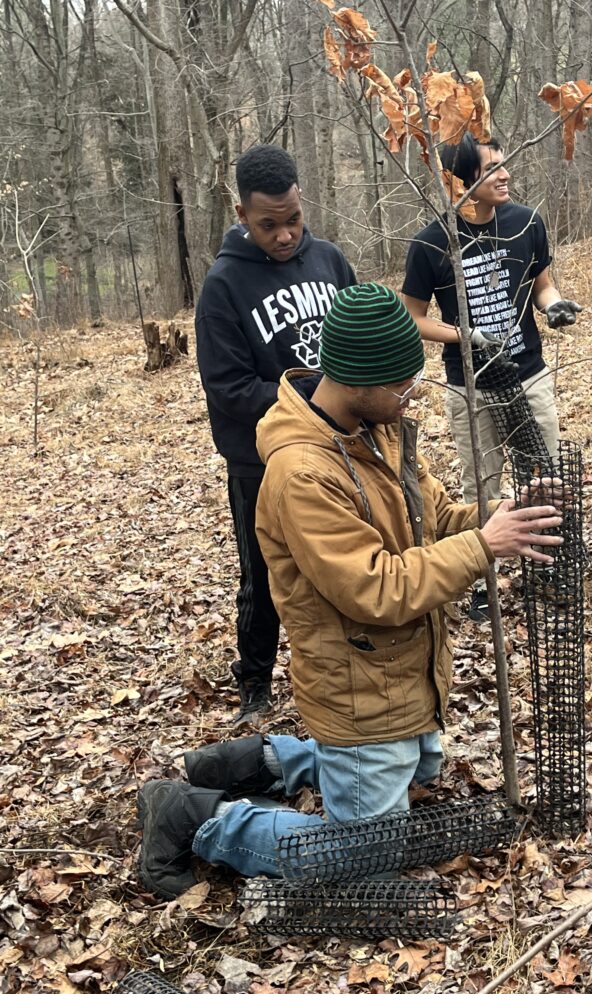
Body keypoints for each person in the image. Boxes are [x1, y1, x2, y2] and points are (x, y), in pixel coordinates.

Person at [138, 284, 564, 899]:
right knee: (364, 857)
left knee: (423, 770)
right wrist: (484, 547)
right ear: (358, 381)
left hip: (403, 674)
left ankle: (264, 762)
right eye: (403, 386)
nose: (413, 394)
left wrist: (500, 516)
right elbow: (375, 588)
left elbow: (435, 517)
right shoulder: (303, 474)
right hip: (359, 686)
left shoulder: (374, 425)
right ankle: (196, 816)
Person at [196, 144, 357, 722]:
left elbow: (360, 335)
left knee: (346, 562)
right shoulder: (223, 286)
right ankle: (255, 684)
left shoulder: (330, 260)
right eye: (269, 225)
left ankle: (350, 669)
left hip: (339, 447)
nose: (285, 235)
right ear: (242, 214)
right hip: (260, 461)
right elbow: (229, 388)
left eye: (293, 219)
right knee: (262, 577)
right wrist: (314, 398)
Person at [401, 131, 581, 621]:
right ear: (461, 181)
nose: (505, 174)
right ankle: (484, 580)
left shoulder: (525, 223)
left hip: (528, 373)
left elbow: (542, 285)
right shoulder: (431, 242)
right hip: (470, 384)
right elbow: (412, 316)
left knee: (545, 473)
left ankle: (550, 565)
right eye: (492, 168)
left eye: (504, 163)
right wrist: (467, 336)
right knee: (483, 484)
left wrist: (553, 306)